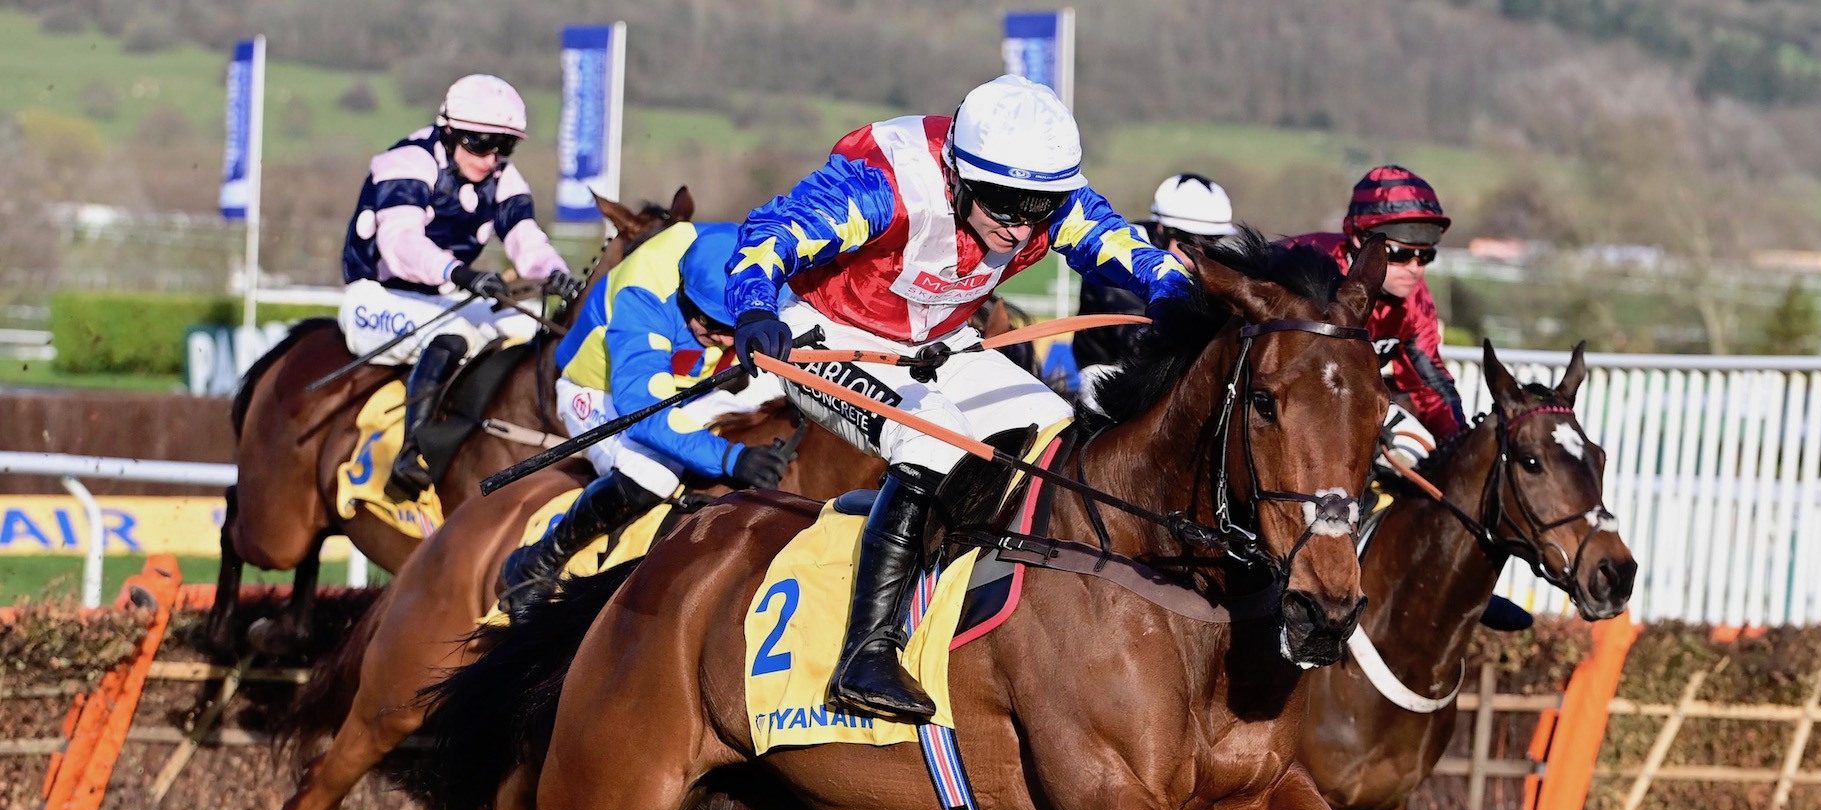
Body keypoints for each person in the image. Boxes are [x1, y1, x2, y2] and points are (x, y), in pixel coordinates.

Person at [725, 74, 1192, 723]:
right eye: (1001, 203)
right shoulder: (885, 186)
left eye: (1037, 207)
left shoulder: (1043, 198)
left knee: (1052, 427)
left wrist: (1172, 290)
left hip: (938, 338)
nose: (1019, 225)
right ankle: (866, 653)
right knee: (933, 440)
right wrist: (751, 308)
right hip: (823, 335)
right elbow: (768, 235)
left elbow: (1120, 245)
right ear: (960, 177)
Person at [498, 222, 788, 620]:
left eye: (732, 329)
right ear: (686, 297)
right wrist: (730, 459)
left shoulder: (742, 256)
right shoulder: (643, 294)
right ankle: (538, 559)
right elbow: (644, 414)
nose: (724, 340)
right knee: (654, 472)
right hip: (601, 393)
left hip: (688, 387)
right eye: (715, 328)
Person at [338, 74, 578, 502]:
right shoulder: (407, 162)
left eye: (504, 146)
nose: (492, 158)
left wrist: (553, 272)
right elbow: (401, 245)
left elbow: (525, 237)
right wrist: (460, 273)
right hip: (375, 295)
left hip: (442, 296)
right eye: (480, 144)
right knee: (452, 336)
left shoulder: (503, 177)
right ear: (450, 132)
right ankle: (414, 454)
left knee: (524, 334)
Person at [1289, 165, 1468, 476]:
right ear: (1359, 239)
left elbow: (1429, 382)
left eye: (1425, 256)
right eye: (1399, 253)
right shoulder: (1309, 269)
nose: (1415, 268)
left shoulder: (1414, 299)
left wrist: (1463, 445)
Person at [1072, 173, 1236, 372]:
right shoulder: (1120, 258)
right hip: (1106, 369)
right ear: (1161, 230)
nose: (1198, 254)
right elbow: (1139, 344)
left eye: (1211, 241)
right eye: (1188, 240)